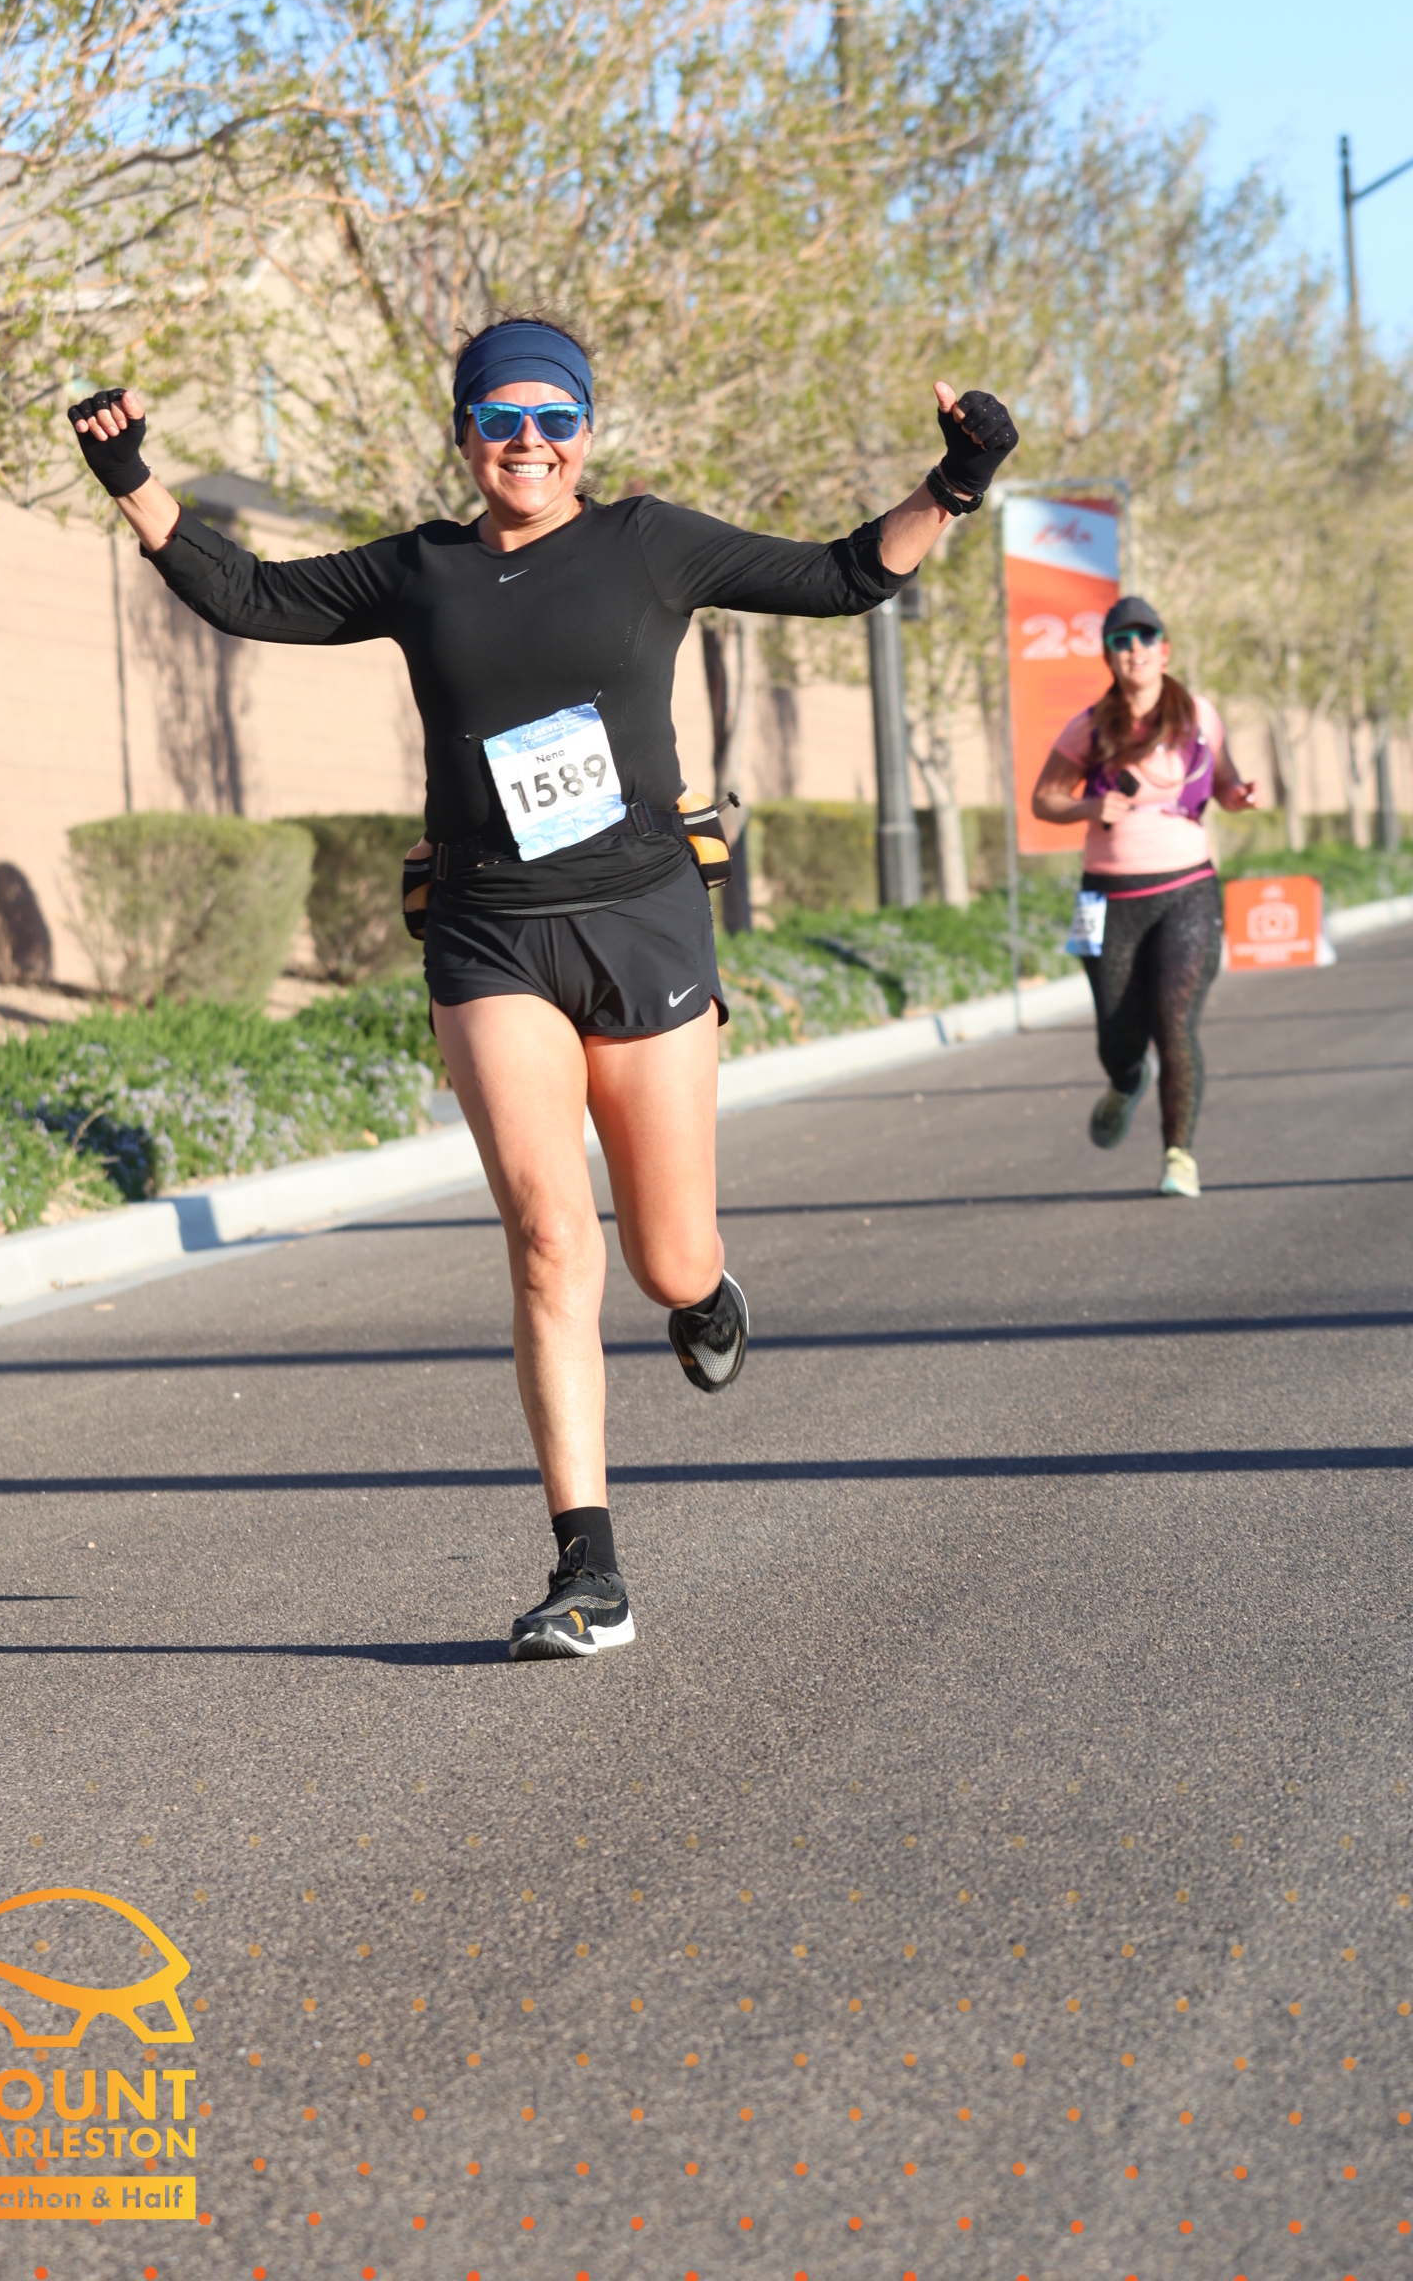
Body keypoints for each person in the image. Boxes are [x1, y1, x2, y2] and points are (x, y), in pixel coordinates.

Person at [69, 317, 1019, 1656]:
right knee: (549, 1238)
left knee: (664, 1256)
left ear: (586, 432)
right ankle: (589, 1569)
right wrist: (132, 480)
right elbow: (253, 599)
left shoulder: (647, 545)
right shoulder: (423, 570)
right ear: (464, 433)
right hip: (488, 931)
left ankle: (703, 1290)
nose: (529, 443)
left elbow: (844, 575)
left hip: (641, 921)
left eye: (554, 419)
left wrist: (958, 480)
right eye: (500, 419)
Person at [1031, 596, 1256, 1198]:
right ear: (1108, 655)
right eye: (1122, 641)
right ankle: (1125, 1081)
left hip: (1188, 888)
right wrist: (1088, 805)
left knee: (1174, 1021)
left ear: (1165, 649)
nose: (1135, 650)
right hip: (1106, 898)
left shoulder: (1200, 716)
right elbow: (1044, 800)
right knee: (1118, 1035)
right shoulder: (1088, 727)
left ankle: (1179, 1154)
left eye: (1145, 638)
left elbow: (1225, 780)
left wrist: (1237, 795)